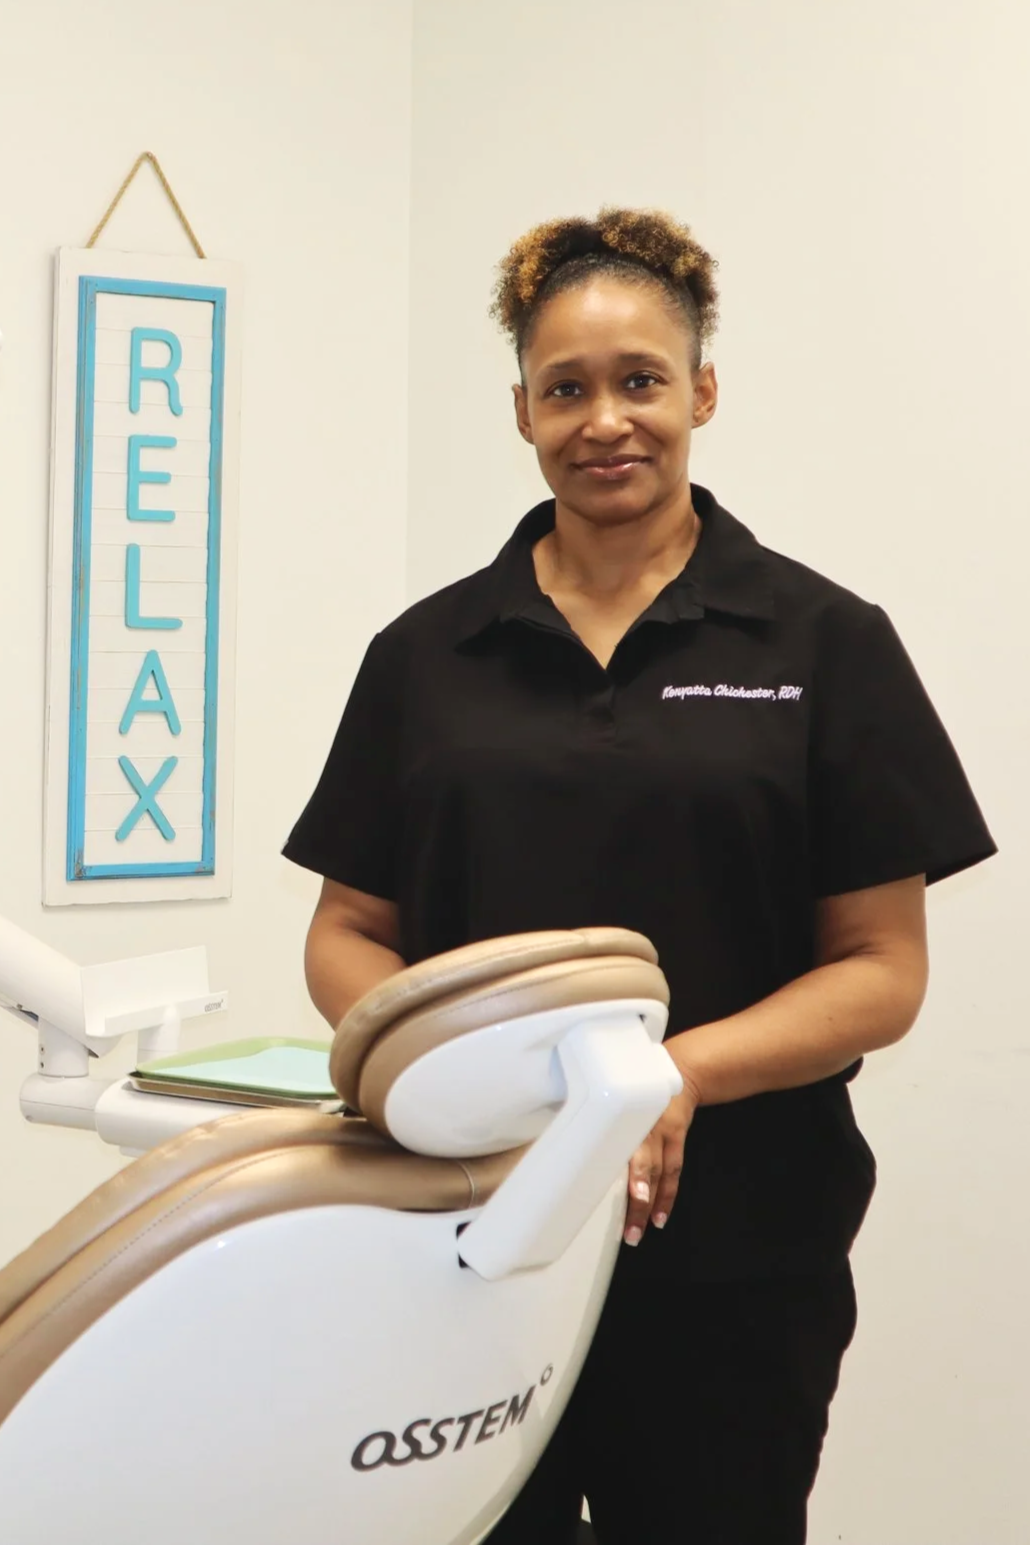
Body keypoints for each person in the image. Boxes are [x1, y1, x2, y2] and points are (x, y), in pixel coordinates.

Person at [283, 207, 997, 1544]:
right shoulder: (425, 655)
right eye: (565, 390)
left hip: (737, 1252)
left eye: (639, 381)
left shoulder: (824, 642)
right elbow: (347, 931)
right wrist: (453, 1079)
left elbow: (879, 972)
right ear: (521, 412)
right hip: (465, 1234)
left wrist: (669, 1077)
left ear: (701, 392)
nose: (604, 420)